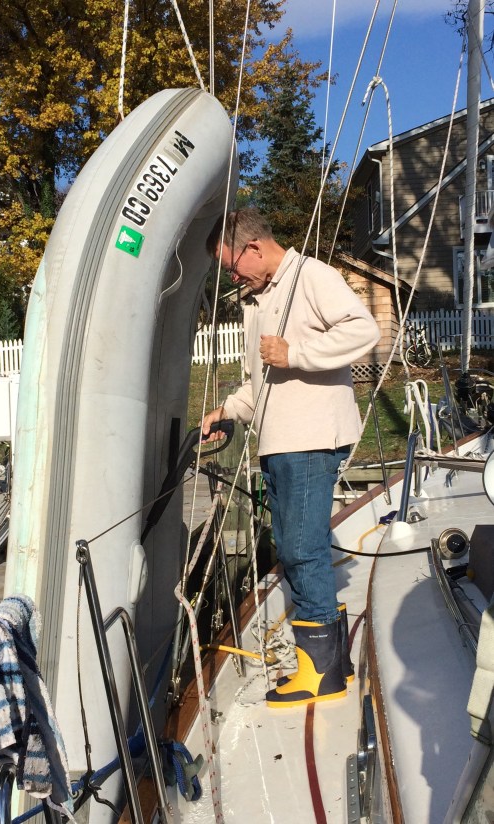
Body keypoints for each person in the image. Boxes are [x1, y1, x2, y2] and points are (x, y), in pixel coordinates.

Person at [201, 208, 380, 707]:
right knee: (298, 545)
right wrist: (228, 410)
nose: (232, 277)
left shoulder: (312, 276)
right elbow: (261, 382)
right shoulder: (256, 299)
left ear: (254, 247)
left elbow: (364, 330)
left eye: (232, 266)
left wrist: (295, 351)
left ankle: (322, 673)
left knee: (301, 548)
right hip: (278, 440)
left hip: (310, 437)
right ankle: (328, 659)